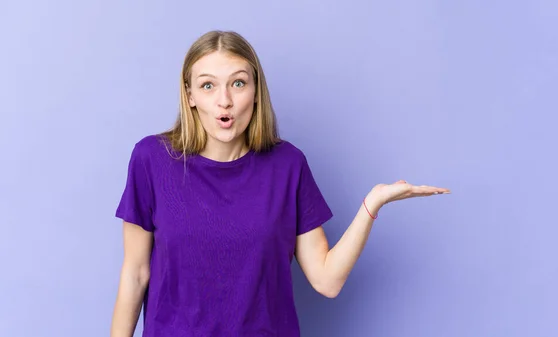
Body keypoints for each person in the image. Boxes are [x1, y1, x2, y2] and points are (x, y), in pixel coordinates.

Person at [110, 30, 450, 337]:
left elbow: (327, 281)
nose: (224, 100)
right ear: (191, 95)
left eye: (238, 83)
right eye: (208, 85)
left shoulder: (287, 165)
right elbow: (136, 274)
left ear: (256, 92)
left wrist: (372, 204)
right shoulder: (152, 160)